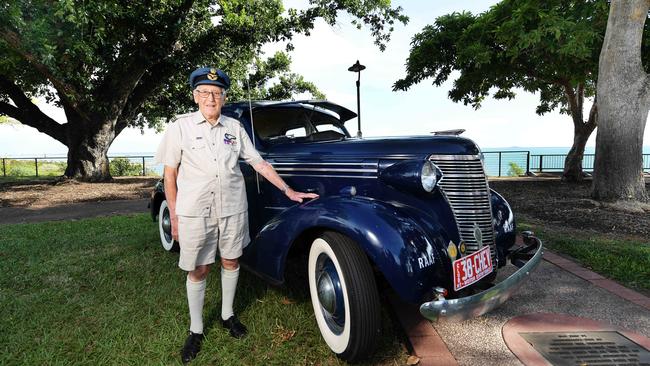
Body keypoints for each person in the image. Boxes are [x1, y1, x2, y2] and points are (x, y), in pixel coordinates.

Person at [155, 66, 318, 364]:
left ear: (224, 98)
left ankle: (228, 315)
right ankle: (196, 330)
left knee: (231, 261)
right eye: (204, 92)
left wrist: (288, 191)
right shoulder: (180, 127)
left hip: (231, 207)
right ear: (195, 96)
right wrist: (175, 217)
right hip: (195, 212)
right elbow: (170, 175)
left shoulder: (234, 128)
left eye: (216, 93)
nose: (211, 98)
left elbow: (259, 162)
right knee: (199, 269)